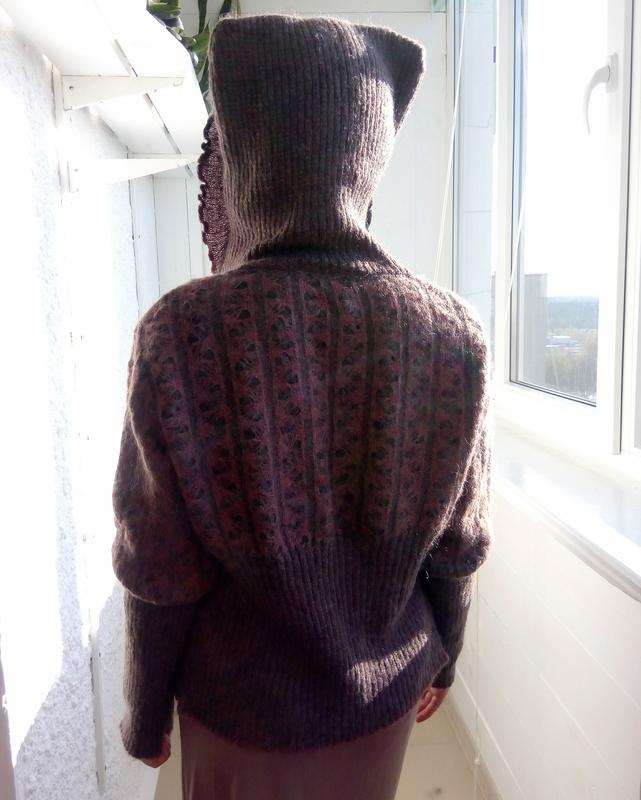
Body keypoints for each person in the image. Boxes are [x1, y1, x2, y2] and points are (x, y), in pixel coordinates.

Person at [111, 12, 493, 800]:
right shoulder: (453, 334)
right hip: (383, 701)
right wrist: (443, 659)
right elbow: (459, 547)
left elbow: (159, 567)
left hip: (238, 713)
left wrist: (144, 712)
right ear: (367, 158)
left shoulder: (181, 332)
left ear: (245, 157)